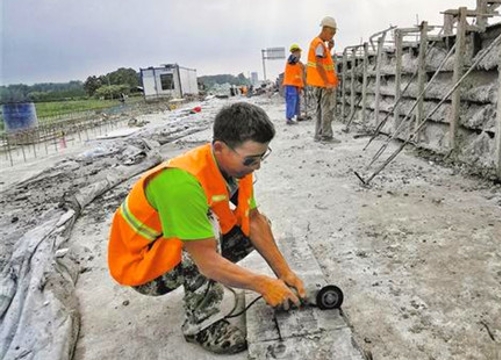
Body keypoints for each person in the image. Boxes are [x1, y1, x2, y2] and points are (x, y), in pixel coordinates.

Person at [107, 102, 306, 354]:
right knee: (204, 237)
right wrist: (262, 284)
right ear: (220, 148)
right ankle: (200, 324)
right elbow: (205, 261)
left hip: (170, 247)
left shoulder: (235, 170)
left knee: (256, 226)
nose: (257, 166)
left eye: (262, 157)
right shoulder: (182, 183)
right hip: (142, 267)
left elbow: (253, 220)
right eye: (251, 160)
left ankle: (203, 287)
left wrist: (284, 273)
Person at [306, 16, 340, 143]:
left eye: (334, 34)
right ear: (324, 29)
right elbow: (319, 64)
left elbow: (322, 61)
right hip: (324, 83)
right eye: (331, 33)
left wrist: (329, 48)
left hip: (318, 82)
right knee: (327, 109)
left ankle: (318, 135)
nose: (332, 36)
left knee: (320, 109)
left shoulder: (318, 44)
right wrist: (327, 83)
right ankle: (326, 136)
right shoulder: (319, 44)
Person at [282, 44, 305, 125]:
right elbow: (293, 59)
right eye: (298, 52)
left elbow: (300, 73)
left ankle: (298, 116)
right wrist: (296, 57)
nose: (299, 54)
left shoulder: (298, 63)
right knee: (291, 101)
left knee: (297, 101)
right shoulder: (292, 59)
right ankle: (289, 119)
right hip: (290, 84)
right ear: (294, 52)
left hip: (296, 85)